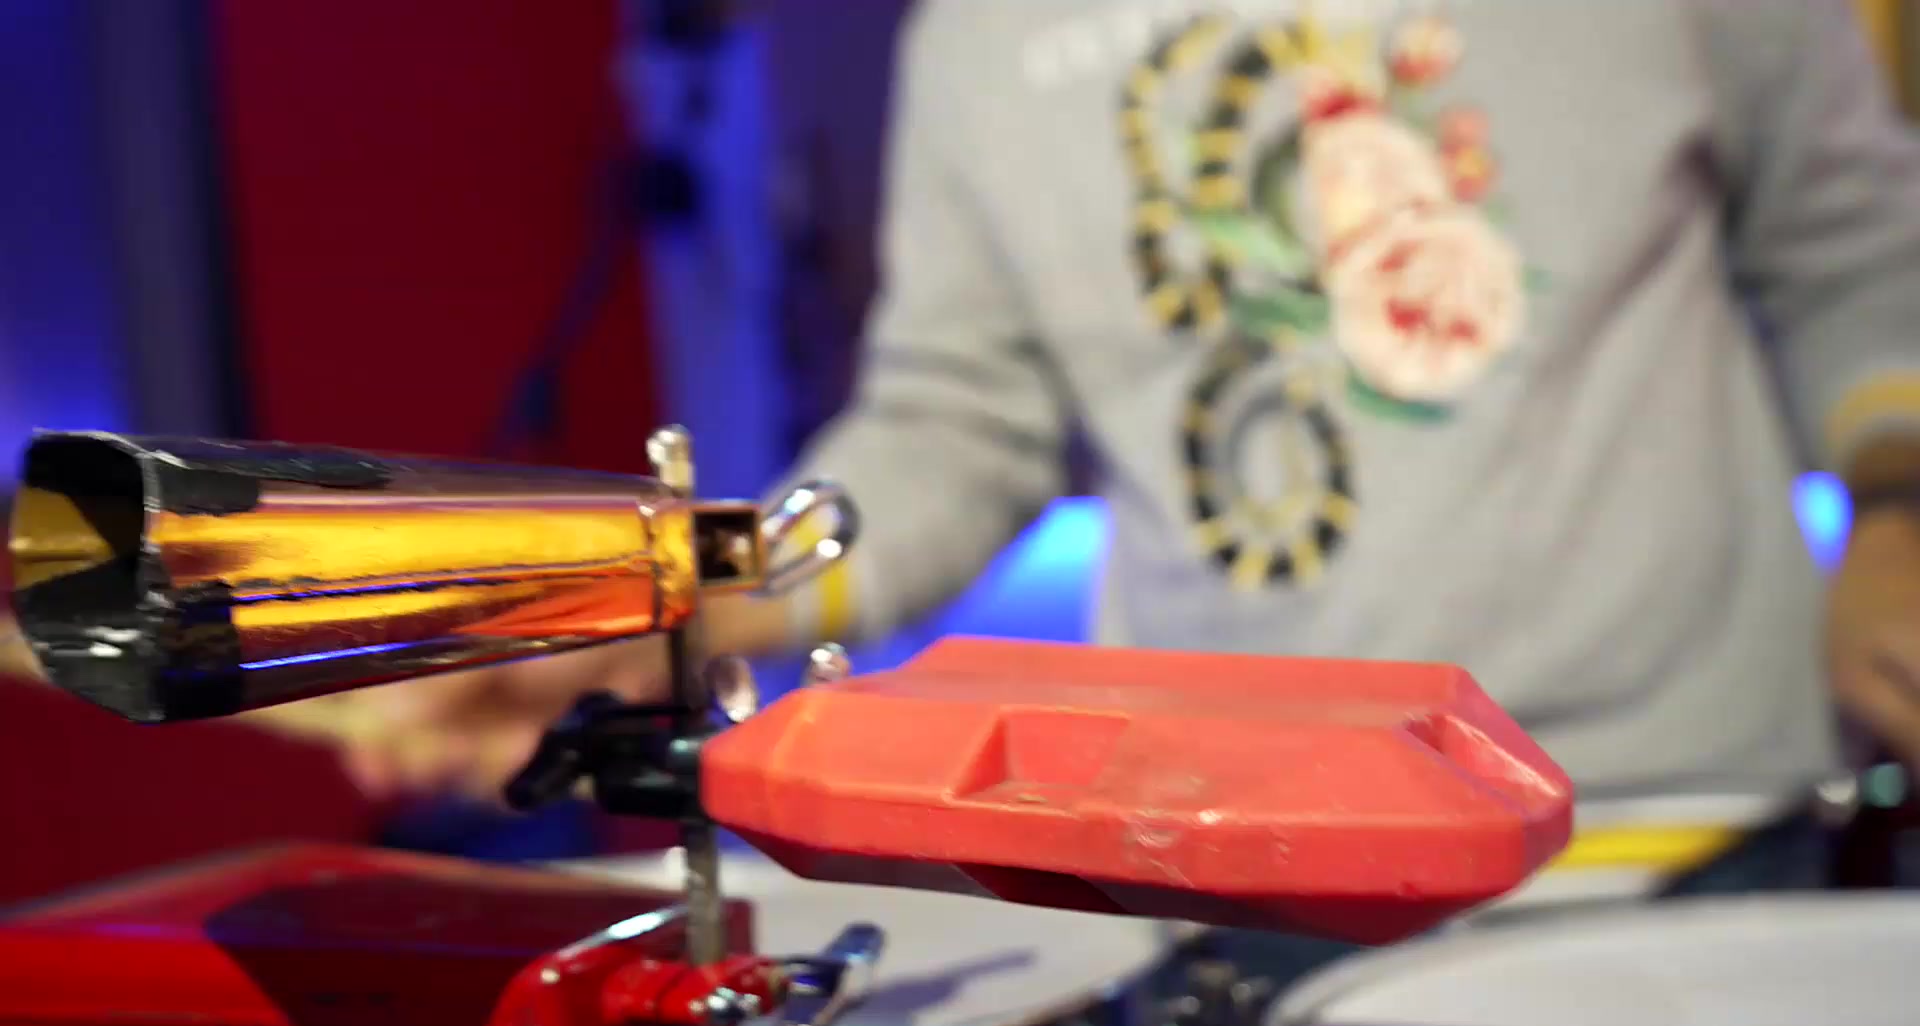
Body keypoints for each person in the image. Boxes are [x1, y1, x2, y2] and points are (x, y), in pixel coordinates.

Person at [10, 1, 1920, 873]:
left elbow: (1860, 254)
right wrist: (677, 608)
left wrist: (1904, 500)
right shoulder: (980, 40)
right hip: (1227, 846)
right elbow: (954, 425)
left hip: (1695, 803)